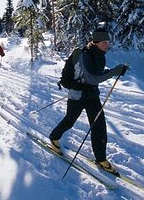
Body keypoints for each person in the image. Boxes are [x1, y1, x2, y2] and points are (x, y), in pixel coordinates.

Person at [49, 28, 128, 173]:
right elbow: (93, 78)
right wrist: (114, 71)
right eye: (104, 42)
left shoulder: (100, 56)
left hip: (92, 96)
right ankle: (54, 137)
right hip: (77, 95)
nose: (107, 44)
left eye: (107, 41)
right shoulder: (85, 55)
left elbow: (97, 74)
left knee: (99, 126)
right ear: (96, 42)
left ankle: (101, 158)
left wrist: (116, 71)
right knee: (70, 121)